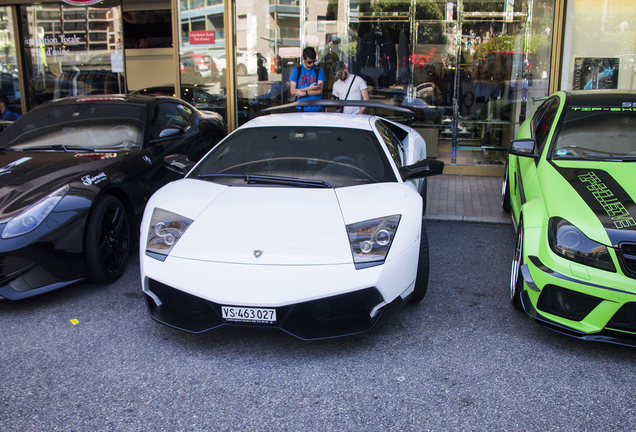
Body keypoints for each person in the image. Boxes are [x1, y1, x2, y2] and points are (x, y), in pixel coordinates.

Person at [289, 47, 325, 111]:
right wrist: (310, 88)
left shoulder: (319, 70)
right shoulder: (296, 70)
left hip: (317, 107)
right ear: (303, 59)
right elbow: (292, 91)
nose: (312, 64)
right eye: (309, 62)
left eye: (313, 61)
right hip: (301, 107)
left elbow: (319, 91)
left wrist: (304, 93)